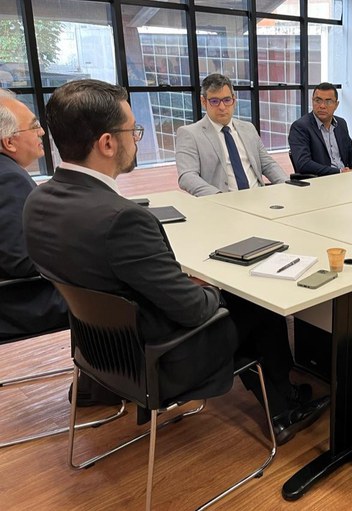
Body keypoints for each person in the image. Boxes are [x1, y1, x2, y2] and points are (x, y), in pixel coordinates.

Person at [23, 80, 328, 446]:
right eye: (133, 130)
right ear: (106, 143)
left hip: (101, 351)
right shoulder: (123, 219)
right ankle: (283, 408)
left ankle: (279, 401)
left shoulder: (38, 201)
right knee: (257, 304)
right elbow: (193, 310)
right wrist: (217, 288)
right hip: (158, 359)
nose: (137, 139)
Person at [0, 90, 68, 340]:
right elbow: (22, 262)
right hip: (20, 300)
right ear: (9, 142)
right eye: (34, 126)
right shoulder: (8, 178)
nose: (41, 132)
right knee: (120, 294)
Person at [176, 74, 287, 196]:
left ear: (234, 100)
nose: (222, 107)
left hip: (258, 198)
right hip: (221, 203)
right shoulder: (190, 134)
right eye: (214, 101)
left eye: (227, 100)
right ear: (204, 101)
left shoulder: (248, 128)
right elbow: (187, 176)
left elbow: (268, 164)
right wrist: (219, 197)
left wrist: (288, 186)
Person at [288, 82, 352, 176]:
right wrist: (339, 172)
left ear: (336, 105)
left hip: (346, 177)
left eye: (328, 101)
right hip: (321, 181)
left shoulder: (341, 123)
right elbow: (303, 164)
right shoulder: (300, 127)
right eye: (318, 100)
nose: (322, 106)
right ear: (312, 101)